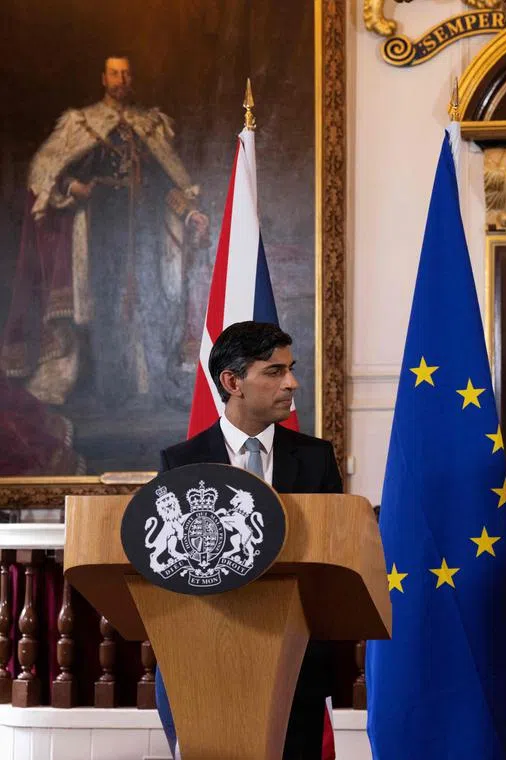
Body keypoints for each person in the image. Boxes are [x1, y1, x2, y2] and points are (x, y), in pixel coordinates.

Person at [157, 321, 340, 759]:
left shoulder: (316, 459)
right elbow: (175, 564)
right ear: (232, 382)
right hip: (210, 659)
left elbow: (331, 554)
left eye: (290, 369)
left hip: (297, 662)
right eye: (275, 372)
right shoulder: (181, 462)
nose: (292, 383)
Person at [1, 54, 209, 409]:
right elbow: (46, 170)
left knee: (154, 299)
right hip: (98, 228)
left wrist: (190, 212)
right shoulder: (83, 125)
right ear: (104, 79)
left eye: (127, 73)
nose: (121, 79)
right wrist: (71, 187)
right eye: (115, 73)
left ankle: (159, 387)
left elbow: (165, 182)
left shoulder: (149, 126)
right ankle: (111, 391)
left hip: (144, 231)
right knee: (106, 303)